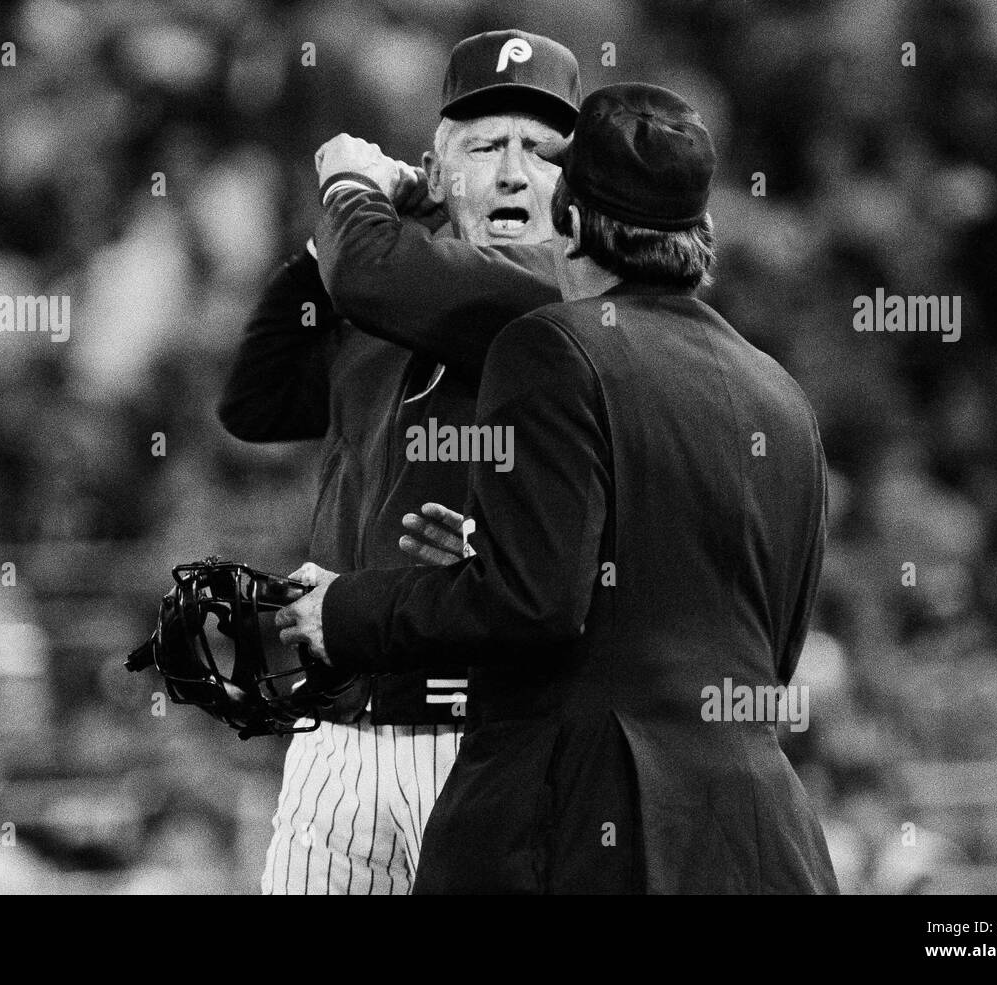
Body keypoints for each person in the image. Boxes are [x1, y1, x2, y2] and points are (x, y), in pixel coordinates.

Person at [276, 83, 840, 894]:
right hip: (759, 835)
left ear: (569, 221)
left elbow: (534, 606)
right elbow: (760, 644)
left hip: (579, 828)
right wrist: (493, 558)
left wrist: (350, 611)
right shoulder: (781, 395)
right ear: (701, 233)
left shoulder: (551, 346)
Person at [218, 30, 579, 893]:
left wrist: (350, 191)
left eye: (542, 150)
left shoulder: (556, 292)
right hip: (339, 734)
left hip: (486, 737)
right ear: (434, 169)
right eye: (486, 146)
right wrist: (324, 248)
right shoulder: (381, 291)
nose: (514, 172)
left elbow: (380, 275)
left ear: (576, 187)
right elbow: (255, 401)